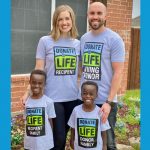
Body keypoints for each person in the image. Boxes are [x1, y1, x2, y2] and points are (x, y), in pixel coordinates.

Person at [21, 5, 80, 150]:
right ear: (55, 22)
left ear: (72, 20)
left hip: (73, 97)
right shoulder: (45, 41)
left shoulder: (78, 44)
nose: (64, 22)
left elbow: (81, 72)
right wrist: (27, 92)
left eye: (67, 18)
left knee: (64, 135)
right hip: (53, 98)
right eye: (60, 19)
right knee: (58, 137)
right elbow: (38, 69)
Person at [79, 2, 125, 150]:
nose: (95, 17)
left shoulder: (114, 39)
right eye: (92, 13)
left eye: (99, 13)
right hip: (86, 99)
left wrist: (108, 102)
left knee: (109, 143)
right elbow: (82, 68)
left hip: (105, 102)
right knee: (88, 142)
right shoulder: (84, 39)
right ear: (88, 16)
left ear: (106, 16)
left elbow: (118, 72)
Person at [68, 81, 110, 150]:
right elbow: (73, 128)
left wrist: (104, 145)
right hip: (79, 147)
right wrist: (72, 140)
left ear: (96, 95)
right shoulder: (76, 110)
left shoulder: (100, 112)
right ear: (81, 94)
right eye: (85, 93)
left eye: (91, 94)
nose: (88, 96)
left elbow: (104, 131)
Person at [24, 69, 56, 150]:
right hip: (30, 142)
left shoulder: (49, 102)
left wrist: (50, 137)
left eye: (40, 83)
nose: (36, 85)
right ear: (30, 82)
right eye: (34, 82)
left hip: (45, 143)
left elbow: (50, 121)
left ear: (44, 84)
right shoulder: (26, 102)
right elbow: (26, 121)